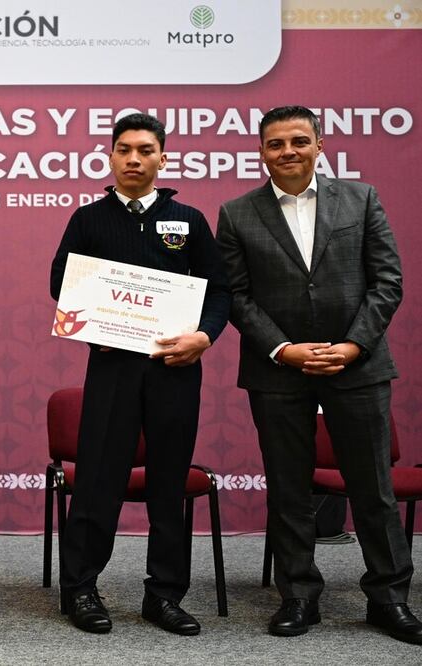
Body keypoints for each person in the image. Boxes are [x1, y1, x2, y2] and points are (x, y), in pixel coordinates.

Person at [216, 105, 421, 644]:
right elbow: (235, 296)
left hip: (358, 366)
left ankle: (389, 598)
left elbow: (387, 282)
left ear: (319, 145)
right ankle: (299, 595)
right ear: (261, 151)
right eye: (276, 143)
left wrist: (353, 346)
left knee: (373, 487)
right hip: (279, 371)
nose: (288, 152)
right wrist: (284, 349)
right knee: (288, 488)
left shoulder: (361, 198)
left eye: (299, 141)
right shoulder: (236, 213)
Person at [49, 113, 230, 636]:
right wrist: (89, 319)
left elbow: (219, 290)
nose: (134, 159)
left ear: (162, 158)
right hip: (112, 370)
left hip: (175, 369)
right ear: (110, 156)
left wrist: (204, 336)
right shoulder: (88, 219)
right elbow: (62, 282)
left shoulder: (189, 220)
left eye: (145, 150)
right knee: (97, 483)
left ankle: (164, 595)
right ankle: (81, 589)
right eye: (124, 149)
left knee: (169, 485)